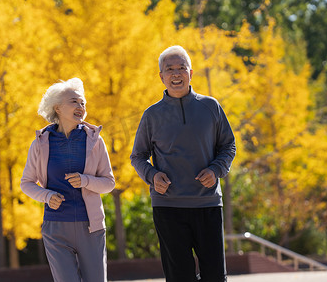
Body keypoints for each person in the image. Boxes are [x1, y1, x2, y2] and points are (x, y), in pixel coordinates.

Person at [130, 45, 236, 282]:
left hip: (207, 203)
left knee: (215, 276)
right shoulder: (151, 115)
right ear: (161, 77)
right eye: (170, 69)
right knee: (179, 277)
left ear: (191, 73)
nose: (176, 74)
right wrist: (152, 175)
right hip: (168, 207)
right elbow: (138, 156)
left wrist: (216, 169)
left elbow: (228, 145)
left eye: (181, 68)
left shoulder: (211, 107)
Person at [21, 78, 115, 282]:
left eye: (83, 103)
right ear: (58, 108)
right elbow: (26, 182)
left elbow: (109, 182)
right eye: (74, 102)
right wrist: (46, 195)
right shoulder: (41, 142)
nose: (81, 107)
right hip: (55, 227)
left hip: (90, 226)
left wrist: (85, 181)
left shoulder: (94, 140)